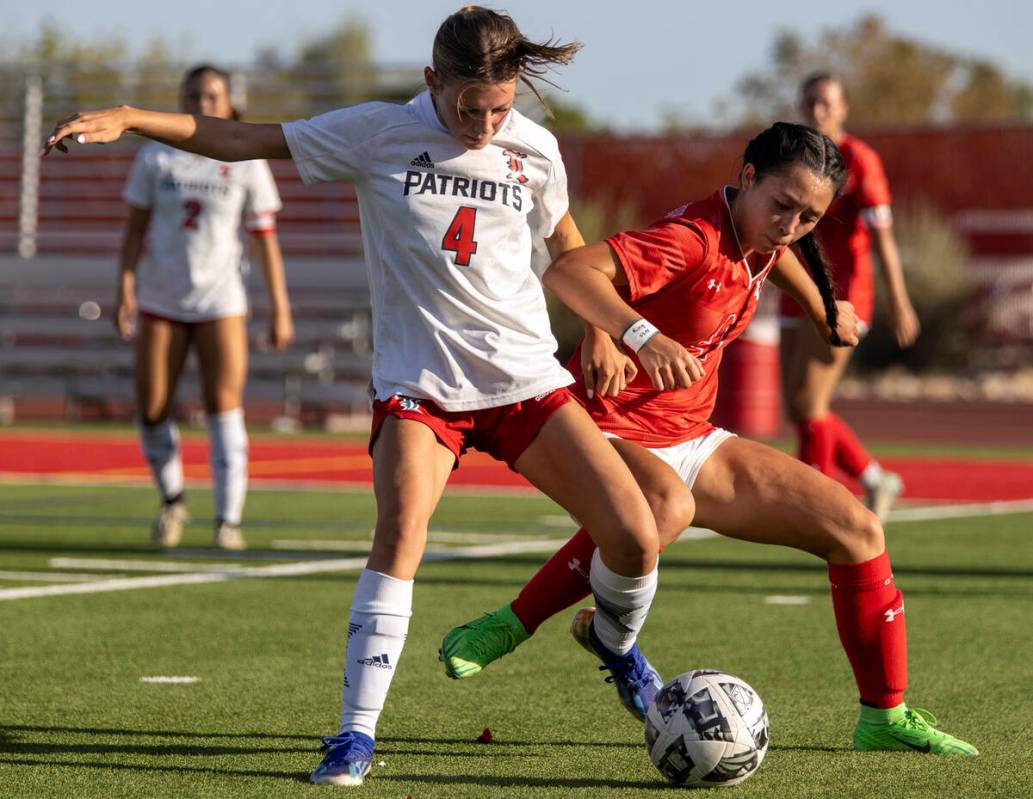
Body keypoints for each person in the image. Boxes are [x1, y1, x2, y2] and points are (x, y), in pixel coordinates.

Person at [46, 7, 682, 787]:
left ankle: (615, 647)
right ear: (431, 82)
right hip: (420, 386)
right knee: (400, 533)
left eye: (501, 108)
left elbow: (568, 245)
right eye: (468, 108)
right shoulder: (375, 132)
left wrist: (603, 331)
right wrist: (131, 118)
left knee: (634, 535)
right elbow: (246, 140)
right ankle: (352, 736)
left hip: (525, 382)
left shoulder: (535, 148)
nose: (484, 124)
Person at [441, 122, 978, 757]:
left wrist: (823, 310)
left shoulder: (762, 233)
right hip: (605, 427)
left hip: (692, 436)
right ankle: (515, 625)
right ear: (746, 175)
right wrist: (631, 335)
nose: (792, 225)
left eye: (810, 217)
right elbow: (569, 272)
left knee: (858, 530)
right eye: (783, 205)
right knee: (667, 507)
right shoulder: (692, 239)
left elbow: (776, 262)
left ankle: (884, 718)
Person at [115, 64, 293, 551]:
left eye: (212, 96)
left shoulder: (247, 161)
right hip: (160, 298)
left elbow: (264, 242)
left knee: (224, 407)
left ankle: (227, 520)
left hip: (221, 301)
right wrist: (125, 287)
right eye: (194, 95)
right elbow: (133, 230)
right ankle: (172, 500)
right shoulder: (156, 157)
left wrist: (280, 306)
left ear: (228, 102)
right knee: (151, 408)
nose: (203, 104)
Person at [780, 73, 921, 519]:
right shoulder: (793, 155)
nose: (818, 110)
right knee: (797, 406)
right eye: (811, 102)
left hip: (844, 295)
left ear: (844, 108)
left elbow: (883, 239)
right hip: (795, 289)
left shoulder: (861, 160)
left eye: (827, 102)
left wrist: (899, 301)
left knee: (810, 403)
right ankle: (875, 479)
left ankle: (812, 504)